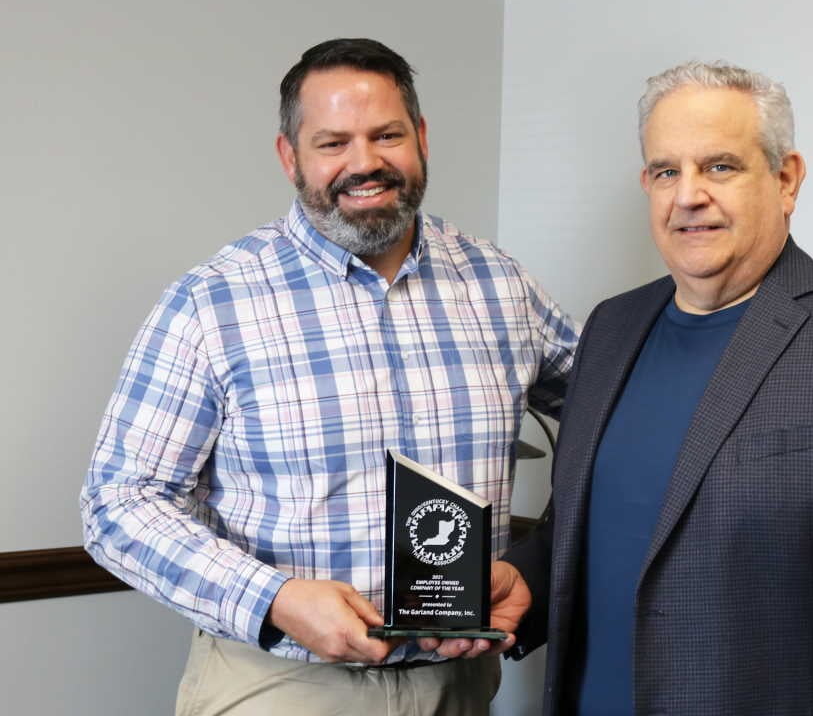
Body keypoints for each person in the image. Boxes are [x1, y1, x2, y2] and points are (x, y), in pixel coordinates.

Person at [473, 61, 813, 714]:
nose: (688, 195)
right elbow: (605, 520)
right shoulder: (611, 328)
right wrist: (527, 576)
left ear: (786, 179)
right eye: (667, 171)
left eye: (719, 167)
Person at [81, 38, 577, 716]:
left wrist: (537, 563)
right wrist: (274, 599)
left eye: (387, 135)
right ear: (290, 157)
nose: (365, 162)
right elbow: (119, 503)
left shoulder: (500, 285)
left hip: (459, 685)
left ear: (422, 139)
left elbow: (615, 419)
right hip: (280, 685)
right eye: (332, 142)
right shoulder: (214, 302)